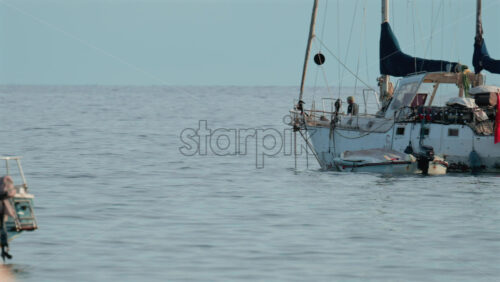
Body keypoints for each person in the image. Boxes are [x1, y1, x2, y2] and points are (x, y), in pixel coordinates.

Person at [0, 176, 17, 261]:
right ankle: (4, 250)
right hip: (3, 211)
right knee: (3, 229)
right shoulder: (5, 182)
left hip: (2, 211)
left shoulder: (3, 182)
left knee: (3, 229)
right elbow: (10, 193)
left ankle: (4, 250)